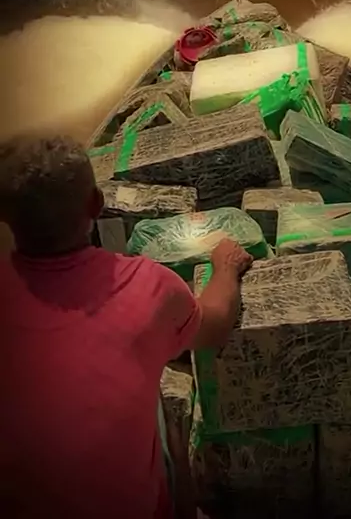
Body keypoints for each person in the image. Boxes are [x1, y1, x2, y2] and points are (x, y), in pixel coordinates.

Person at [0, 134, 252, 519]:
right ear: (96, 204)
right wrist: (226, 267)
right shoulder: (147, 284)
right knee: (163, 407)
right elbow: (214, 326)